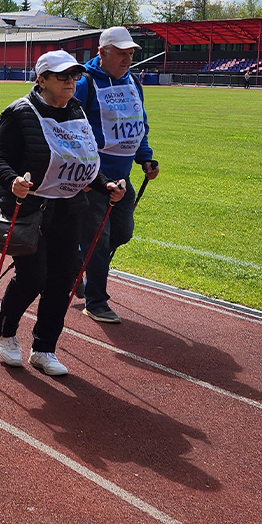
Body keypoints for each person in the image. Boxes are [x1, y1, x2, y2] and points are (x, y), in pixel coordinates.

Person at [0, 50, 124, 376]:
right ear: (42, 79)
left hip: (69, 208)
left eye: (74, 75)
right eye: (62, 76)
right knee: (34, 277)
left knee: (62, 279)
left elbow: (84, 163)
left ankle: (44, 348)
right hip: (29, 209)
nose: (70, 82)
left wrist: (105, 185)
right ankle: (5, 330)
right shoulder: (18, 113)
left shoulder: (77, 110)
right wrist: (14, 181)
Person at [75, 27, 159, 324]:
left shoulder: (133, 82)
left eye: (131, 53)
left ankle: (78, 263)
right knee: (98, 240)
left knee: (122, 233)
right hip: (93, 180)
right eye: (121, 53)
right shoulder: (84, 83)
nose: (127, 58)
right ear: (102, 52)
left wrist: (146, 158)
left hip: (123, 179)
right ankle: (96, 301)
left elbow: (139, 125)